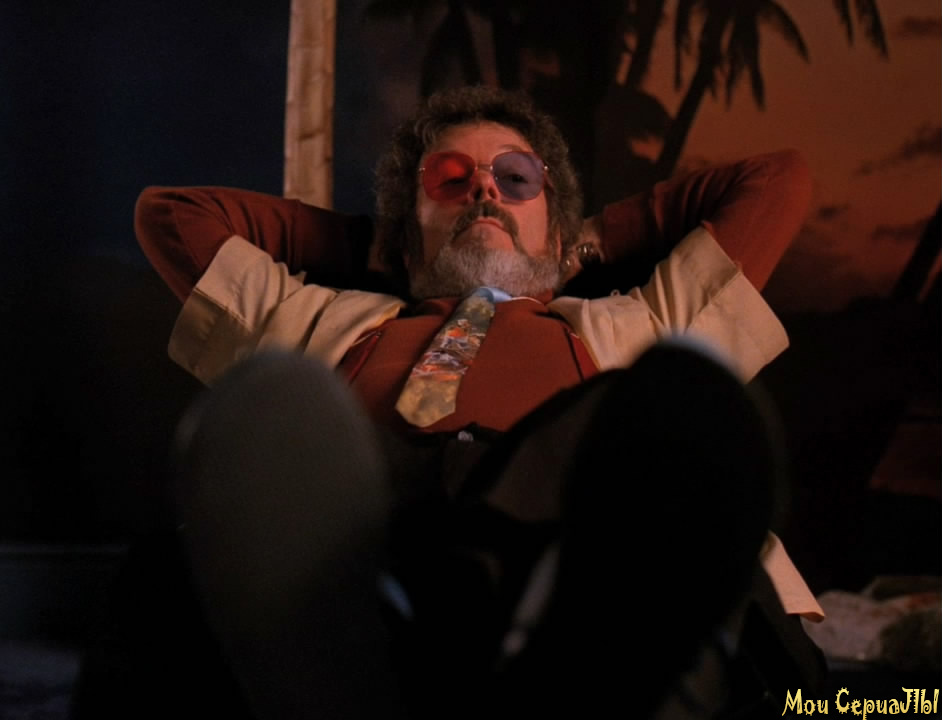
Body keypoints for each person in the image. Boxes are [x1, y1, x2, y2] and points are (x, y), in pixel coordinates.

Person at [132, 85, 824, 719]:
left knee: (669, 398)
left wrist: (582, 245)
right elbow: (173, 217)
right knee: (275, 406)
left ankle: (580, 658)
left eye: (516, 179)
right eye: (450, 180)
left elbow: (776, 183)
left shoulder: (638, 324)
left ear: (556, 235)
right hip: (370, 552)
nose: (484, 189)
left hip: (571, 567)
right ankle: (352, 663)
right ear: (408, 241)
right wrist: (380, 246)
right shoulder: (317, 320)